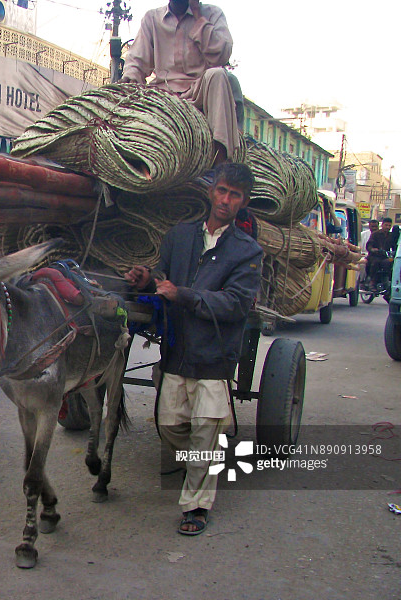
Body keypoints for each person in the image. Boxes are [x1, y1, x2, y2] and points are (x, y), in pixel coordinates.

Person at [124, 163, 262, 535]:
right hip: (176, 352)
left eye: (234, 195)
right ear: (211, 191)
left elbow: (235, 304)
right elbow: (162, 279)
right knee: (170, 427)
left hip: (214, 357)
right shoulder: (180, 236)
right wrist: (147, 278)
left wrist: (182, 294)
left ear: (242, 202)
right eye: (221, 190)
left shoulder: (247, 252)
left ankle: (197, 506)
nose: (225, 199)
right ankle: (202, 461)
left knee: (204, 432)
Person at [120, 0, 238, 165]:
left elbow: (222, 54)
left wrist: (198, 18)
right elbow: (136, 62)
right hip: (162, 94)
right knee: (127, 93)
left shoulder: (213, 14)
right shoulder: (152, 18)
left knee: (218, 75)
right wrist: (129, 79)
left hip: (199, 91)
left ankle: (220, 163)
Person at [365, 218, 394, 289]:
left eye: (389, 225)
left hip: (385, 256)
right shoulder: (375, 234)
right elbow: (369, 245)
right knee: (376, 262)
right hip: (374, 256)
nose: (387, 227)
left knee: (391, 263)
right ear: (382, 225)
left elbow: (394, 246)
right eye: (386, 225)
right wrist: (373, 249)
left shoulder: (391, 236)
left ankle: (389, 281)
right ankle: (372, 281)